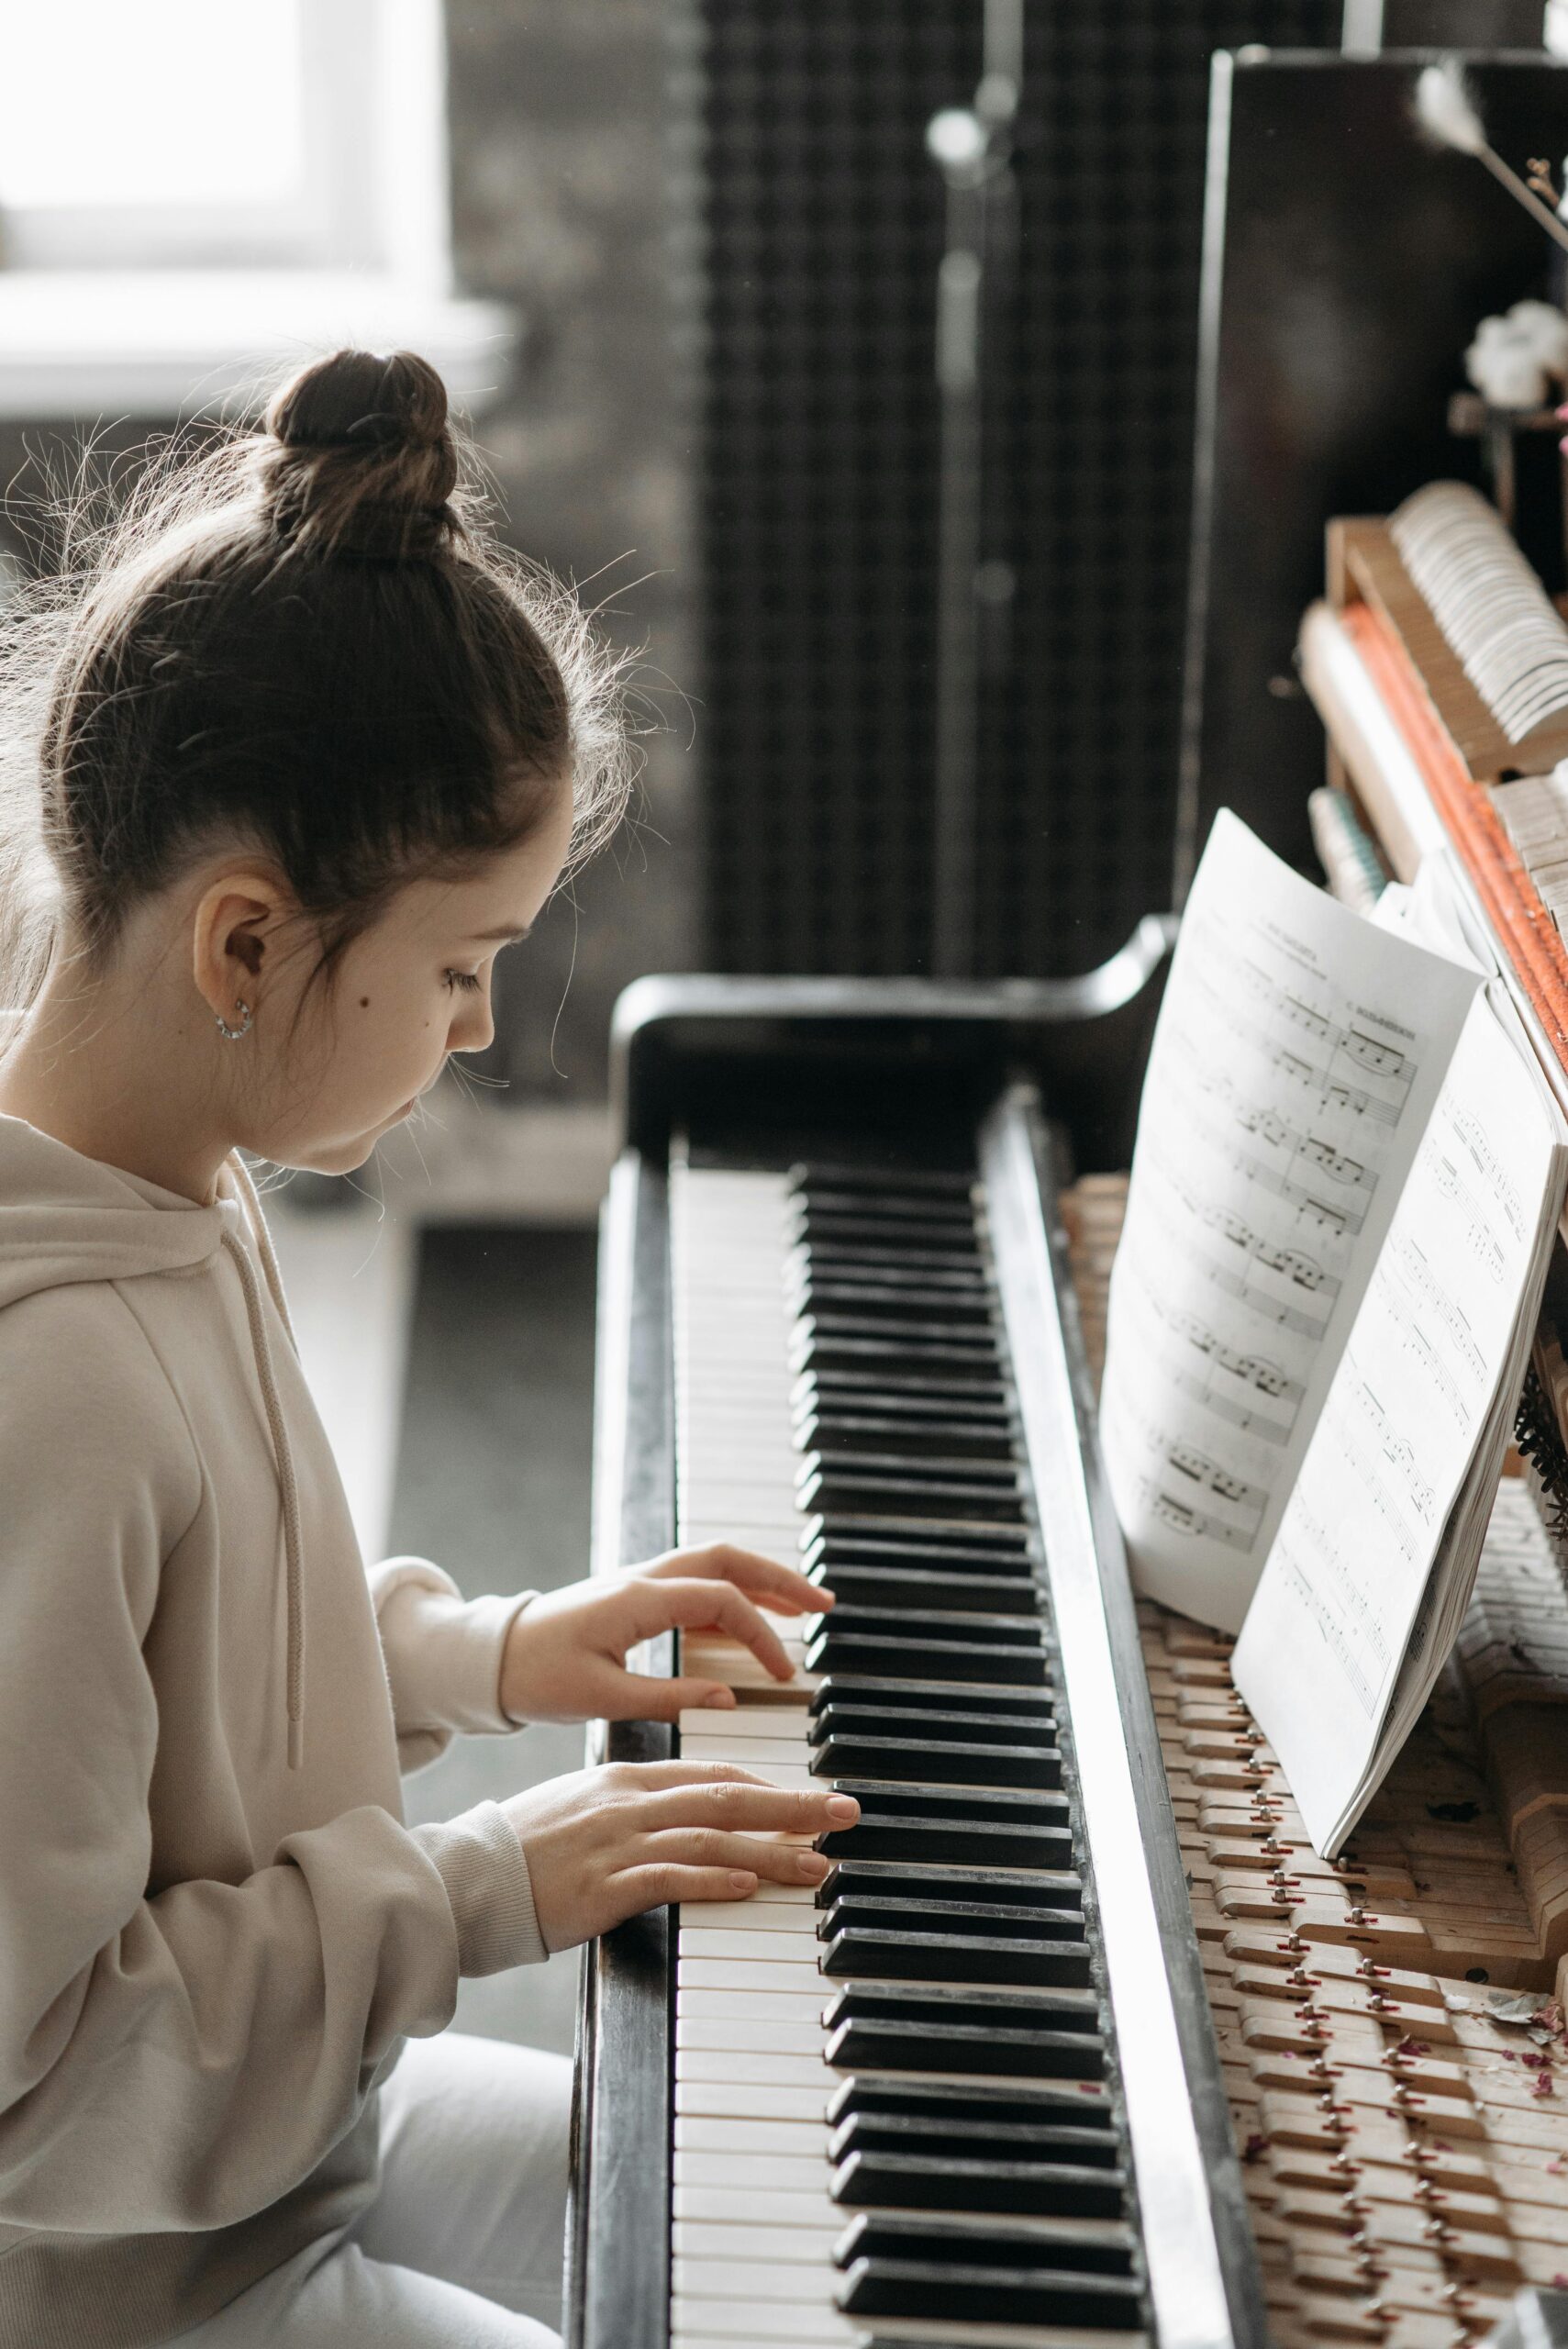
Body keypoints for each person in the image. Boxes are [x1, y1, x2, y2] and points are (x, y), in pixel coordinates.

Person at [0, 347, 851, 2349]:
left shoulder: (169, 1187)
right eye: (460, 967)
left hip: (289, 2134)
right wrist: (480, 1884)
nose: (477, 1028)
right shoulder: (55, 1389)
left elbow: (201, 1693)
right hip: (127, 2278)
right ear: (246, 943)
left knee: (759, 2248)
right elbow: (38, 2082)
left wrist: (484, 1650)